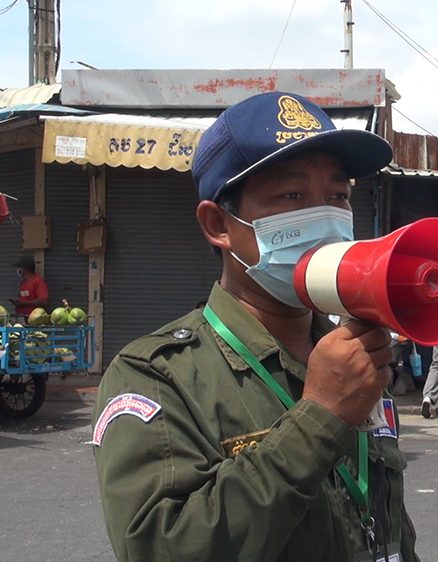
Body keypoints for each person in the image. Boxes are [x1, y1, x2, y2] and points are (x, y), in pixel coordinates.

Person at [91, 92, 418, 562]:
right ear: (219, 224)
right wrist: (320, 416)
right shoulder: (156, 376)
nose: (325, 216)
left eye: (338, 196)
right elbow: (161, 547)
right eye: (292, 195)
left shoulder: (353, 352)